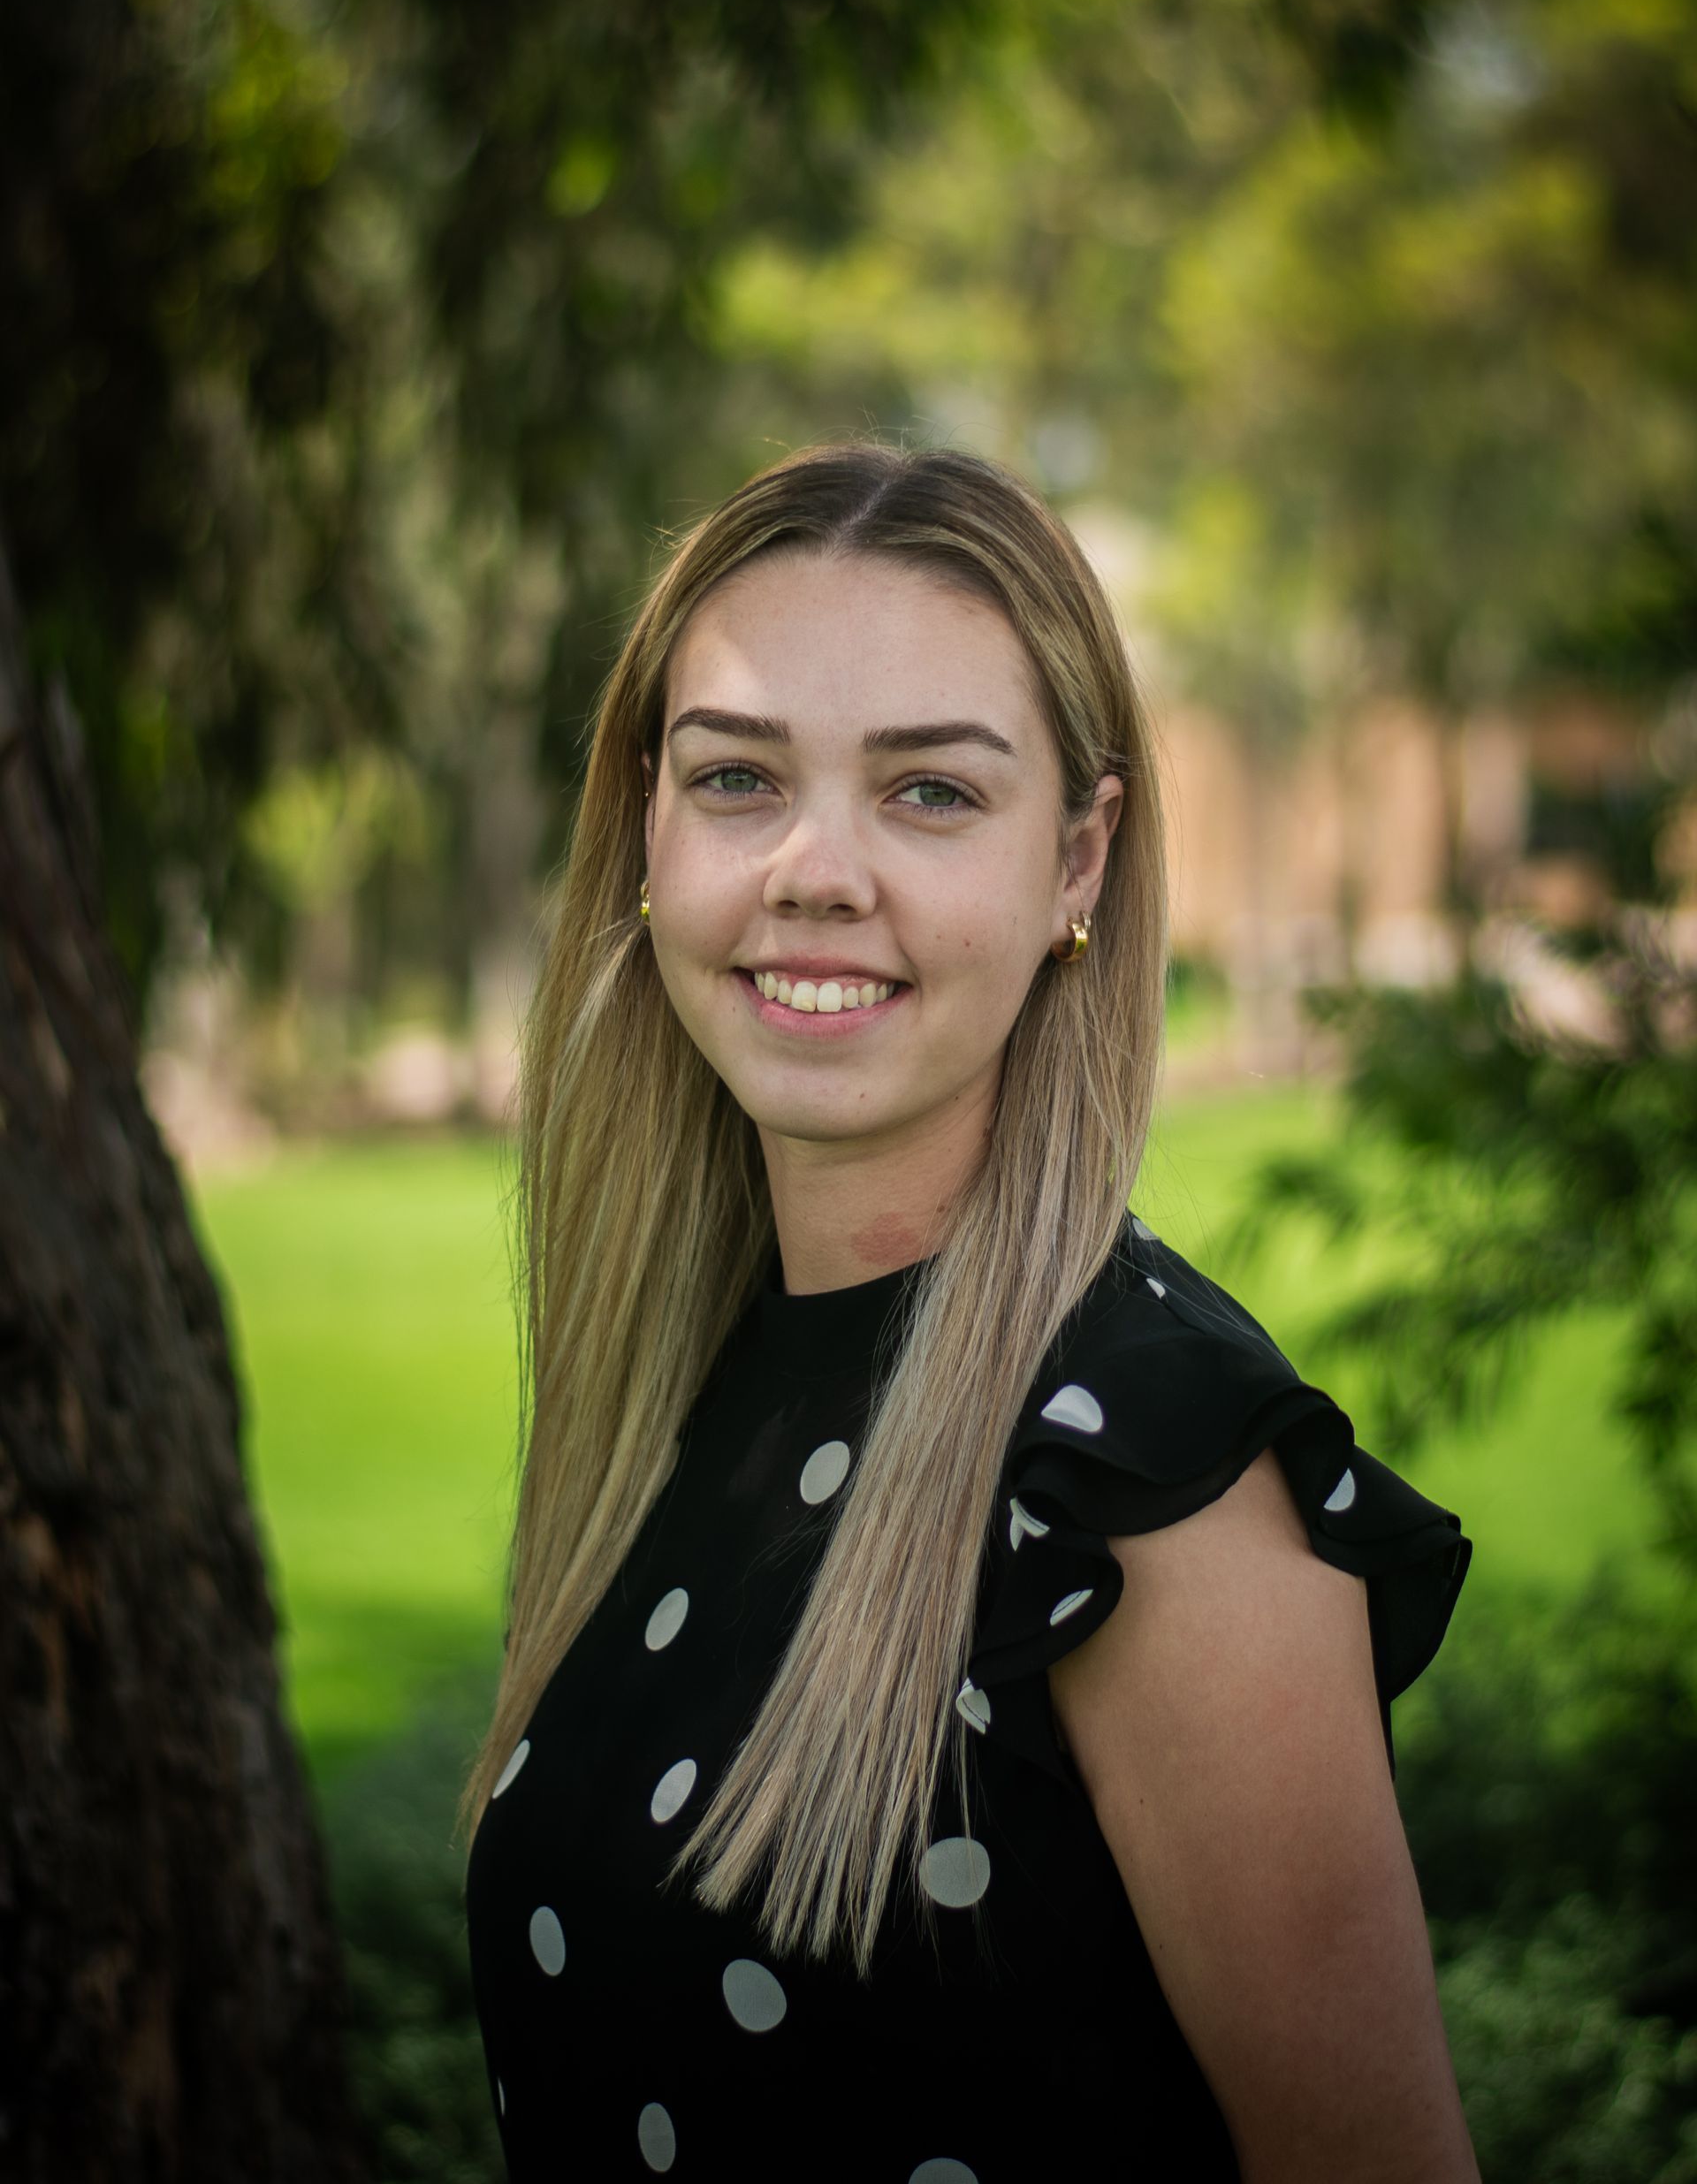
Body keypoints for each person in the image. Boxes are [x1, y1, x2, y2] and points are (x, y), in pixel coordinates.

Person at [460, 440, 1479, 2182]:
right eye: (736, 777)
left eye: (930, 791)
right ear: (645, 821)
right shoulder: (684, 1379)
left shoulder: (1149, 1481)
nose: (814, 870)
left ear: (1079, 859)